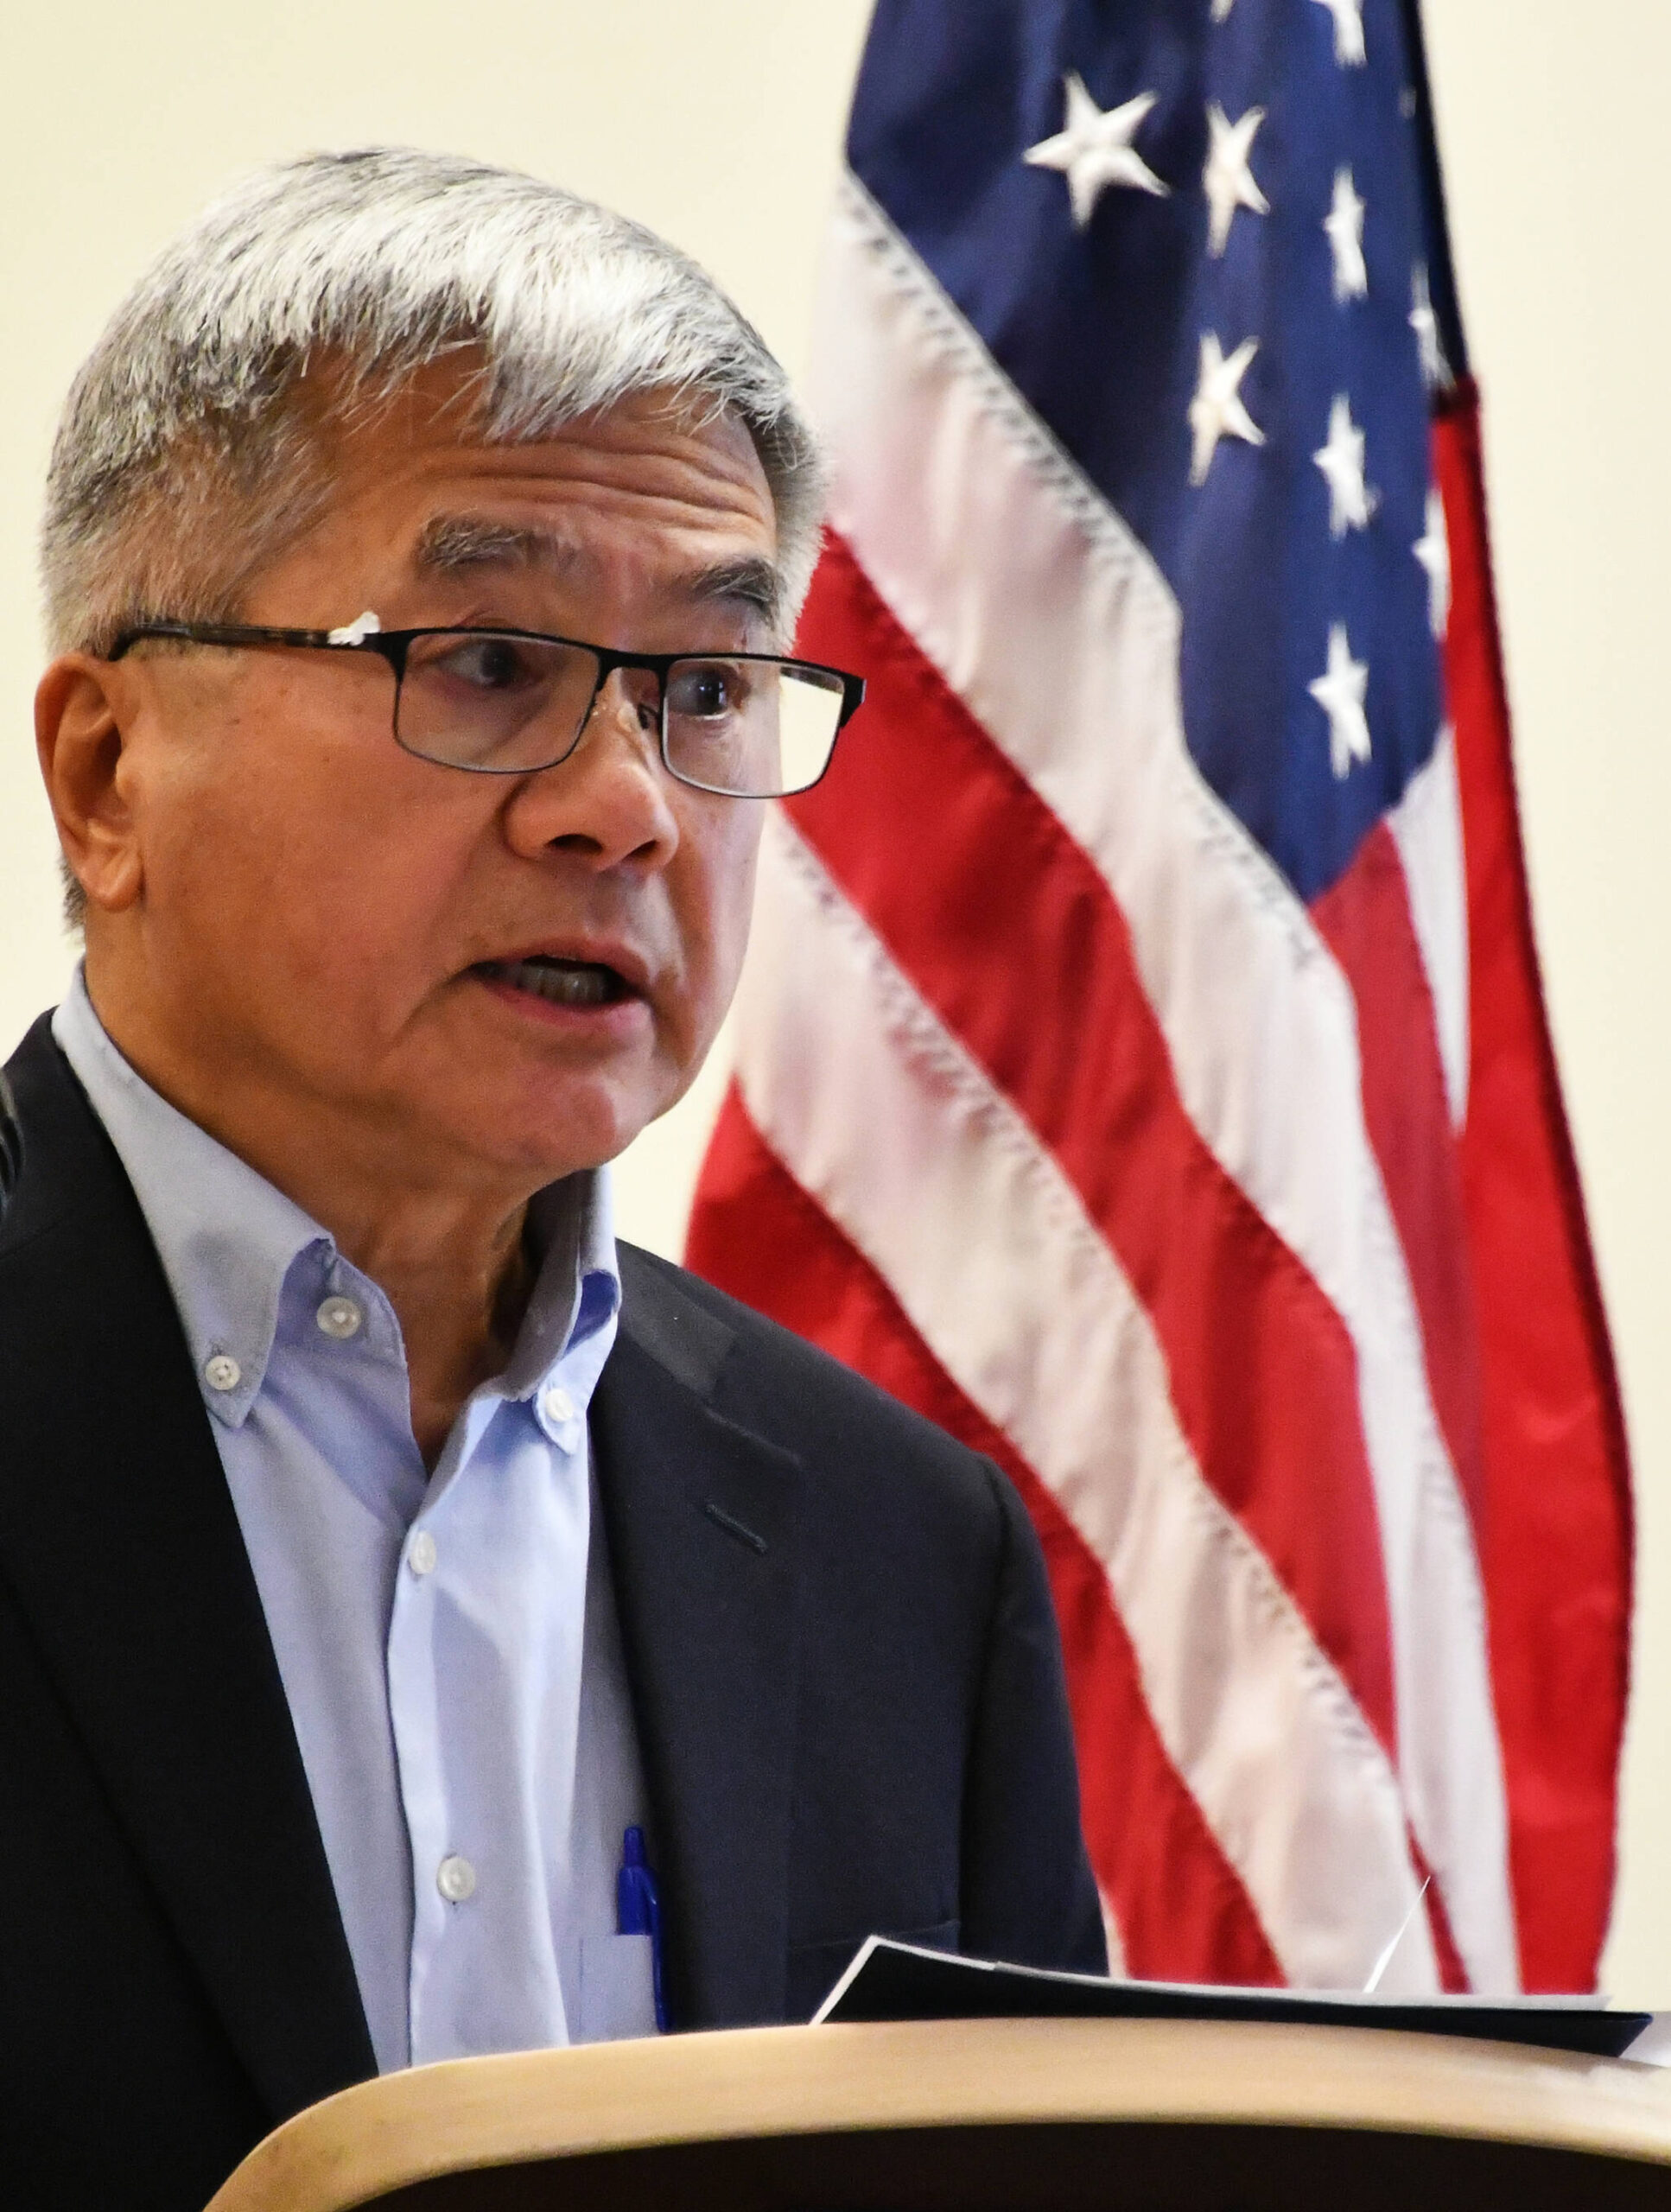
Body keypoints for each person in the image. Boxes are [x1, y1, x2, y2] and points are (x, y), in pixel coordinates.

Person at [0, 149, 1104, 2209]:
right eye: (490, 660)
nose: (627, 809)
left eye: (705, 691)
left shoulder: (901, 1547)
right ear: (105, 769)